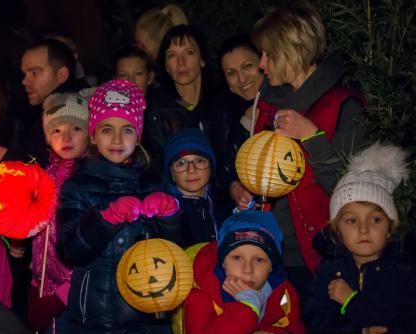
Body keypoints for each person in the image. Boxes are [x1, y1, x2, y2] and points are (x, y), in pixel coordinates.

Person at [237, 5, 367, 302]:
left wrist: (312, 136)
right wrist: (246, 188)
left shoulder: (343, 106)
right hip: (274, 254)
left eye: (269, 53)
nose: (261, 64)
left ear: (294, 50)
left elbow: (352, 192)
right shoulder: (268, 105)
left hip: (325, 258)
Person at [56, 80, 182, 334]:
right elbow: (69, 251)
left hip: (149, 320)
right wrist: (104, 219)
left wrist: (171, 217)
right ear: (93, 135)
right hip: (96, 322)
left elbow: (176, 252)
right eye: (106, 129)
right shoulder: (78, 186)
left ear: (138, 135)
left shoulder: (153, 182)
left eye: (126, 130)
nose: (116, 140)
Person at [304, 143, 416, 334]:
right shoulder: (329, 269)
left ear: (390, 226)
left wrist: (352, 302)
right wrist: (359, 330)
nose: (363, 230)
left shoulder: (407, 269)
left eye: (375, 220)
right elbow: (314, 324)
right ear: (337, 229)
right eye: (351, 221)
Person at [184, 210, 305, 334]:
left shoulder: (282, 292)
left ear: (272, 266)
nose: (248, 269)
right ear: (223, 262)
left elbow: (296, 333)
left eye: (259, 260)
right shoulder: (202, 292)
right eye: (237, 258)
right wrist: (247, 305)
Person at [25, 92, 90, 334]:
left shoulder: (89, 180)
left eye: (76, 128)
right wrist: (34, 279)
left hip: (76, 293)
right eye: (56, 130)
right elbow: (41, 231)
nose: (66, 138)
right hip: (44, 286)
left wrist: (62, 295)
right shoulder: (42, 177)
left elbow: (90, 245)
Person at [0, 39, 79, 168]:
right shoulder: (37, 111)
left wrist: (12, 162)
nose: (25, 81)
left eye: (34, 73)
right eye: (25, 74)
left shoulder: (74, 114)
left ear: (62, 74)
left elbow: (64, 172)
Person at [143, 25, 218, 176]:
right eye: (172, 55)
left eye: (189, 52)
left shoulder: (220, 102)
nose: (181, 62)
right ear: (165, 65)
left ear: (202, 59)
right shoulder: (157, 108)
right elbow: (157, 168)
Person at [210, 35, 267, 213]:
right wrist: (233, 187)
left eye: (248, 66)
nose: (242, 79)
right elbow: (223, 170)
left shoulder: (285, 102)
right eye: (231, 73)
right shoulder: (223, 112)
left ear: (264, 63)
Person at [163, 129, 226, 248]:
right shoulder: (166, 214)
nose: (191, 170)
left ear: (210, 166)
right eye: (181, 163)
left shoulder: (224, 205)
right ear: (172, 173)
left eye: (200, 161)